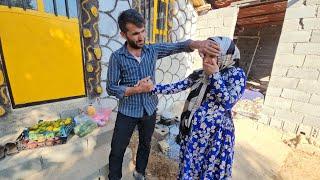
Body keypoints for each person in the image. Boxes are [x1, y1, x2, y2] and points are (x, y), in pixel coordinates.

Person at [106, 9, 220, 180]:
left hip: (150, 109)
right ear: (124, 35)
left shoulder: (152, 50)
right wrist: (136, 90)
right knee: (117, 149)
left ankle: (140, 173)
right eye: (135, 33)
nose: (141, 37)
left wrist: (198, 44)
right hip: (127, 112)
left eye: (143, 31)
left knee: (145, 144)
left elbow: (178, 46)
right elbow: (111, 87)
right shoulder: (117, 57)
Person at [148, 36, 246, 179]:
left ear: (225, 56)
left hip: (213, 138)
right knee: (189, 168)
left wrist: (215, 76)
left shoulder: (236, 75)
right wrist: (152, 88)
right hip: (192, 133)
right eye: (205, 54)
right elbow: (178, 86)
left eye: (213, 56)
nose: (206, 60)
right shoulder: (200, 73)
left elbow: (228, 102)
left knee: (207, 171)